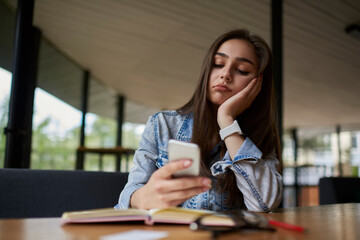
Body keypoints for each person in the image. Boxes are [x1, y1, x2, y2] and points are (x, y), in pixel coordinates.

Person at [116, 29, 283, 212]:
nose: (225, 74)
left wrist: (226, 121)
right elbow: (127, 199)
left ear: (257, 85)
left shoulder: (261, 136)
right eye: (218, 64)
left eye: (242, 70)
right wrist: (141, 198)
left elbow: (265, 204)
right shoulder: (162, 125)